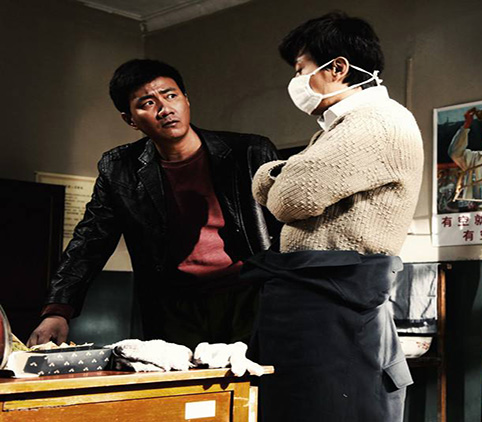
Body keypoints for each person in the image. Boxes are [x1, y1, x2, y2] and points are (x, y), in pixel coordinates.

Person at [27, 59, 280, 350]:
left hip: (250, 292)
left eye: (171, 95)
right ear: (130, 119)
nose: (165, 109)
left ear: (186, 100)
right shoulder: (119, 168)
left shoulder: (249, 152)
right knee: (182, 380)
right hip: (175, 306)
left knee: (258, 376)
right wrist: (58, 310)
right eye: (147, 103)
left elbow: (287, 229)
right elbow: (90, 240)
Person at [244, 12, 423, 422]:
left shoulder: (378, 121)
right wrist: (284, 174)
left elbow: (290, 196)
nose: (296, 81)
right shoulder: (336, 128)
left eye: (300, 69)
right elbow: (292, 187)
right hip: (320, 297)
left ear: (337, 68)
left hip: (338, 298)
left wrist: (273, 173)